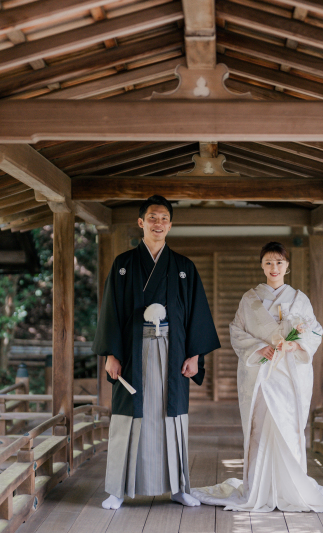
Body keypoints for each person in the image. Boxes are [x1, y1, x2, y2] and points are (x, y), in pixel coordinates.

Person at [192, 242, 323, 512]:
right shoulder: (250, 299)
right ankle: (257, 485)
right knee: (259, 427)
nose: (274, 268)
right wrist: (258, 347)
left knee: (288, 428)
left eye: (279, 262)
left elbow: (315, 331)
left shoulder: (299, 299)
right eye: (269, 262)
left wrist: (295, 345)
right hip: (261, 372)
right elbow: (236, 330)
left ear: (288, 267)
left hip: (288, 375)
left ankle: (291, 487)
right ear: (262, 266)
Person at [93, 195, 220, 510]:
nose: (158, 223)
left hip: (171, 349)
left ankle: (177, 487)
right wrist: (111, 353)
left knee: (171, 413)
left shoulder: (183, 267)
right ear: (141, 223)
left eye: (164, 218)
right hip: (132, 351)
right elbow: (110, 312)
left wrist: (194, 355)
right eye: (152, 217)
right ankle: (118, 490)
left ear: (170, 224)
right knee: (128, 416)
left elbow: (196, 314)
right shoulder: (123, 265)